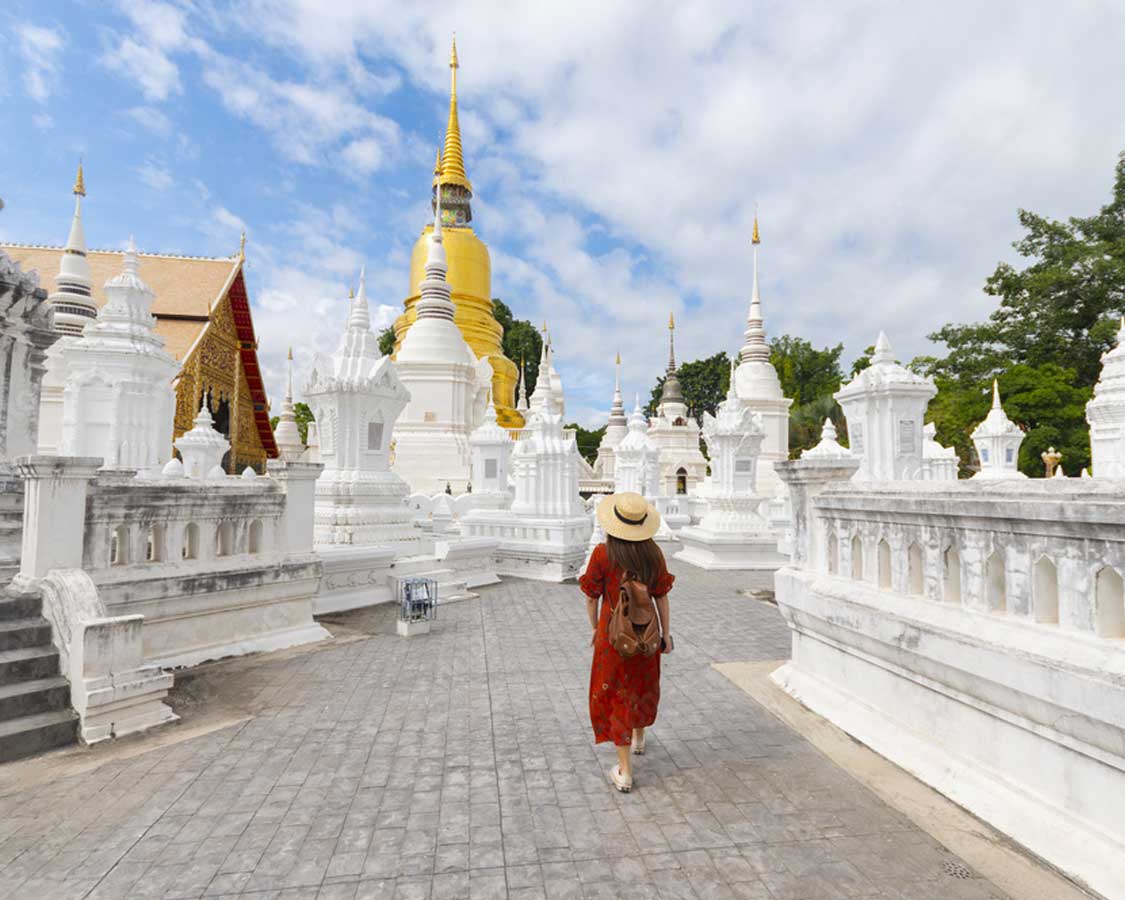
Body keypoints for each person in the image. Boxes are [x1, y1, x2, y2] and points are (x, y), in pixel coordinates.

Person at [579, 492, 674, 793]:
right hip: (646, 636)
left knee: (616, 694)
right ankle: (639, 737)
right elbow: (662, 597)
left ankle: (625, 770)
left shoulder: (603, 554)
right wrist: (666, 635)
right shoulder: (653, 554)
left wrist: (596, 628)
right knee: (641, 685)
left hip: (614, 637)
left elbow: (591, 597)